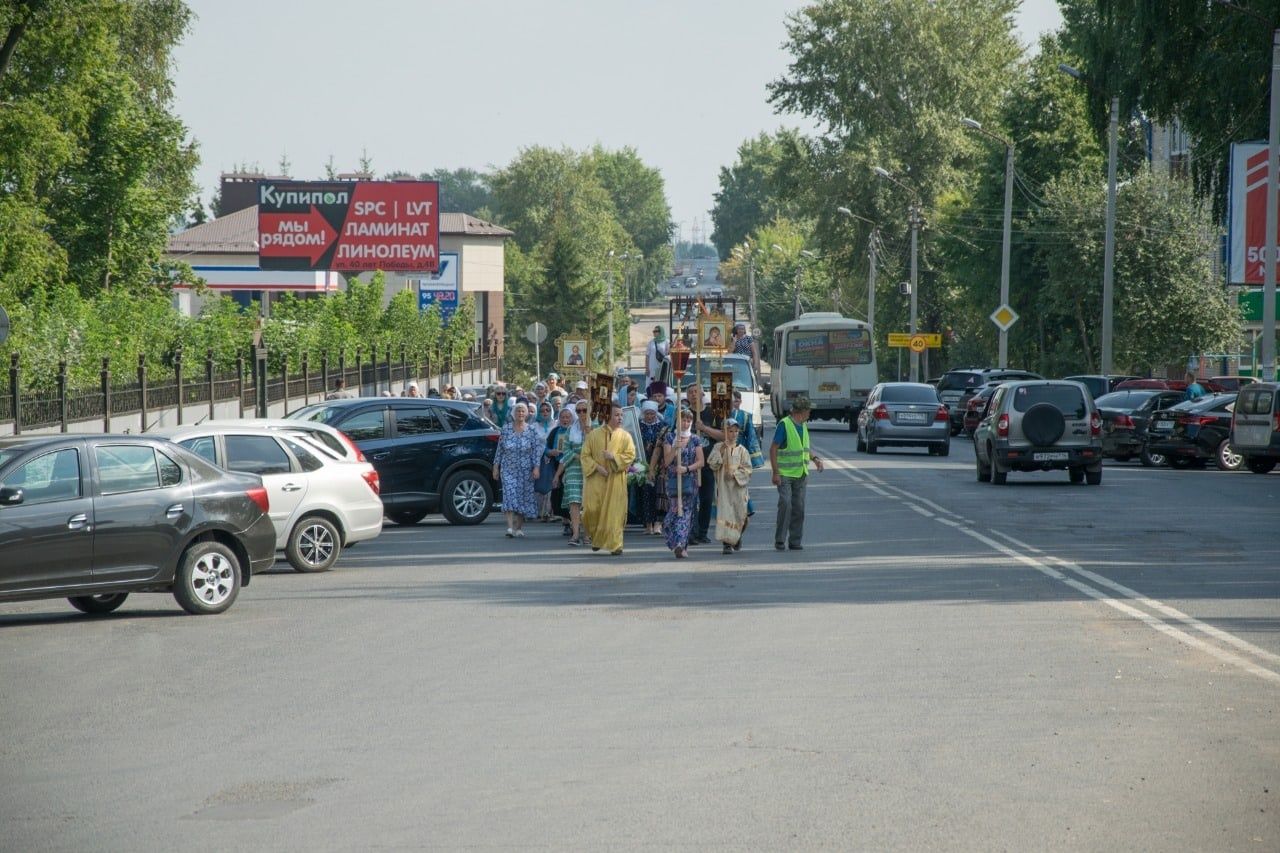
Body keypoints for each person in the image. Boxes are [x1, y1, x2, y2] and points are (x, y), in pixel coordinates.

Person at [580, 404, 636, 555]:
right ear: (607, 416)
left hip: (616, 479)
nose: (620, 418)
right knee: (591, 510)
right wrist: (597, 467)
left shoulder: (625, 436)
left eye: (621, 415)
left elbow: (631, 455)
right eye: (616, 415)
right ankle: (597, 538)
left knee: (615, 512)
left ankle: (616, 544)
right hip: (596, 478)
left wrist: (614, 458)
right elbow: (585, 455)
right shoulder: (594, 434)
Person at [770, 397, 824, 551]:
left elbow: (804, 449)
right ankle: (780, 540)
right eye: (808, 410)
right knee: (786, 504)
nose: (810, 413)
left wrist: (815, 459)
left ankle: (795, 541)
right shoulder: (784, 425)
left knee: (799, 508)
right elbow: (773, 449)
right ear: (801, 411)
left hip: (801, 474)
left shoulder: (803, 425)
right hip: (785, 474)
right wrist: (775, 473)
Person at [493, 402, 541, 538]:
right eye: (518, 411)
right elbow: (499, 450)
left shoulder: (531, 431)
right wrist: (496, 467)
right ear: (513, 414)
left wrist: (536, 468)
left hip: (526, 470)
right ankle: (509, 528)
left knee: (522, 498)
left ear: (526, 414)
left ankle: (518, 527)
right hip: (508, 468)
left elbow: (536, 451)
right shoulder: (506, 429)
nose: (520, 413)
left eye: (522, 411)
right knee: (509, 494)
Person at [662, 408, 704, 559]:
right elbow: (666, 462)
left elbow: (701, 461)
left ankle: (681, 545)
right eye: (683, 420)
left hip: (689, 481)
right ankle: (675, 542)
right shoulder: (670, 437)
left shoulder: (695, 439)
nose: (685, 423)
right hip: (673, 482)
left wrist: (686, 469)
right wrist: (675, 447)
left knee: (686, 514)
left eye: (688, 420)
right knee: (672, 514)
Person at [687, 384, 724, 545]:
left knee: (707, 499)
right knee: (690, 499)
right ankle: (691, 532)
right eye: (690, 392)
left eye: (696, 391)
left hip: (709, 463)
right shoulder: (684, 414)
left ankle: (703, 531)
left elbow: (723, 436)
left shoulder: (712, 412)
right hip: (690, 464)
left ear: (702, 393)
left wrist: (704, 428)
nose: (693, 395)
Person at [708, 419, 752, 554]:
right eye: (730, 431)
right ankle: (727, 543)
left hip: (738, 489)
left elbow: (748, 469)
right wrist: (721, 451)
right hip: (724, 489)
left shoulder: (742, 450)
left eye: (735, 431)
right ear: (724, 432)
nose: (733, 434)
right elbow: (712, 463)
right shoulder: (718, 447)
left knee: (741, 516)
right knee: (726, 516)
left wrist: (735, 475)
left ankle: (736, 537)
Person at [552, 400, 592, 546]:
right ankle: (575, 534)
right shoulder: (570, 430)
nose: (582, 413)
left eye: (584, 410)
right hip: (573, 468)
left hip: (590, 470)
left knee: (588, 503)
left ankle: (587, 534)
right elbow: (565, 450)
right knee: (574, 502)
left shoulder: (595, 428)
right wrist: (557, 475)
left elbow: (600, 448)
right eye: (579, 410)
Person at [638, 400, 669, 535]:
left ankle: (658, 523)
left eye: (652, 414)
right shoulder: (638, 426)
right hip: (642, 462)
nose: (649, 416)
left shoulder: (662, 426)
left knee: (660, 493)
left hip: (660, 463)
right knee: (646, 493)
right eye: (647, 414)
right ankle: (648, 524)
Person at [545, 407, 575, 530]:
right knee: (557, 497)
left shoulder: (575, 432)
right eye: (563, 417)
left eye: (568, 417)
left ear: (572, 419)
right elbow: (545, 449)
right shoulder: (554, 432)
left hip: (571, 466)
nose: (565, 419)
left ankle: (571, 523)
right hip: (557, 466)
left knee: (569, 496)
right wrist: (551, 452)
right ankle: (566, 520)